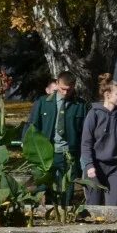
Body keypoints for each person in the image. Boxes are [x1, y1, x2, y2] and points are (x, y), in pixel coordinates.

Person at [26, 71, 88, 204]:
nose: (65, 93)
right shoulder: (43, 102)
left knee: (67, 188)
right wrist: (27, 144)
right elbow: (32, 126)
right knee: (46, 188)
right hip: (47, 153)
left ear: (74, 86)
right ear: (57, 83)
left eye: (68, 89)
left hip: (69, 154)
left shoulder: (81, 106)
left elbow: (85, 132)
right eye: (62, 89)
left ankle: (65, 215)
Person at [80, 79, 117, 206]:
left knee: (114, 205)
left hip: (116, 168)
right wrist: (89, 165)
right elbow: (86, 143)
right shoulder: (94, 114)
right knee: (94, 206)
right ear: (107, 94)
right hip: (95, 167)